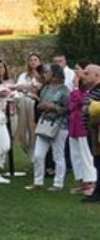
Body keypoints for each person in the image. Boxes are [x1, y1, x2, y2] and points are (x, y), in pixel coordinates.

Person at [26, 63, 70, 191]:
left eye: (47, 72)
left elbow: (68, 109)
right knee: (38, 154)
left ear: (55, 75)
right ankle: (38, 181)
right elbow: (39, 105)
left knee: (58, 154)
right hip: (44, 123)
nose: (45, 74)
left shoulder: (65, 91)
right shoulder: (45, 88)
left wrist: (54, 107)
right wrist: (43, 106)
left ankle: (58, 183)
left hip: (59, 125)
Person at [68, 63, 97, 196]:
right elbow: (71, 104)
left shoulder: (90, 91)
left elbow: (80, 101)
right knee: (76, 155)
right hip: (74, 126)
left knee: (86, 155)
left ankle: (90, 181)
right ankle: (82, 181)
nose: (82, 76)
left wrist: (75, 88)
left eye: (85, 73)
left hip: (84, 128)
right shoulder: (79, 90)